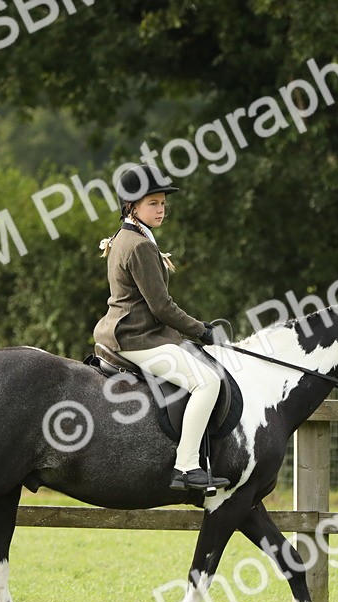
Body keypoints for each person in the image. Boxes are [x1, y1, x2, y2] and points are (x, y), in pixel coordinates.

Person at [93, 164, 229, 492]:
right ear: (132, 207)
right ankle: (186, 467)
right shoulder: (139, 245)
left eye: (163, 203)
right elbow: (162, 307)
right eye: (153, 203)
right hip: (137, 338)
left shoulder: (128, 237)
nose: (161, 209)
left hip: (129, 332)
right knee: (207, 383)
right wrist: (203, 331)